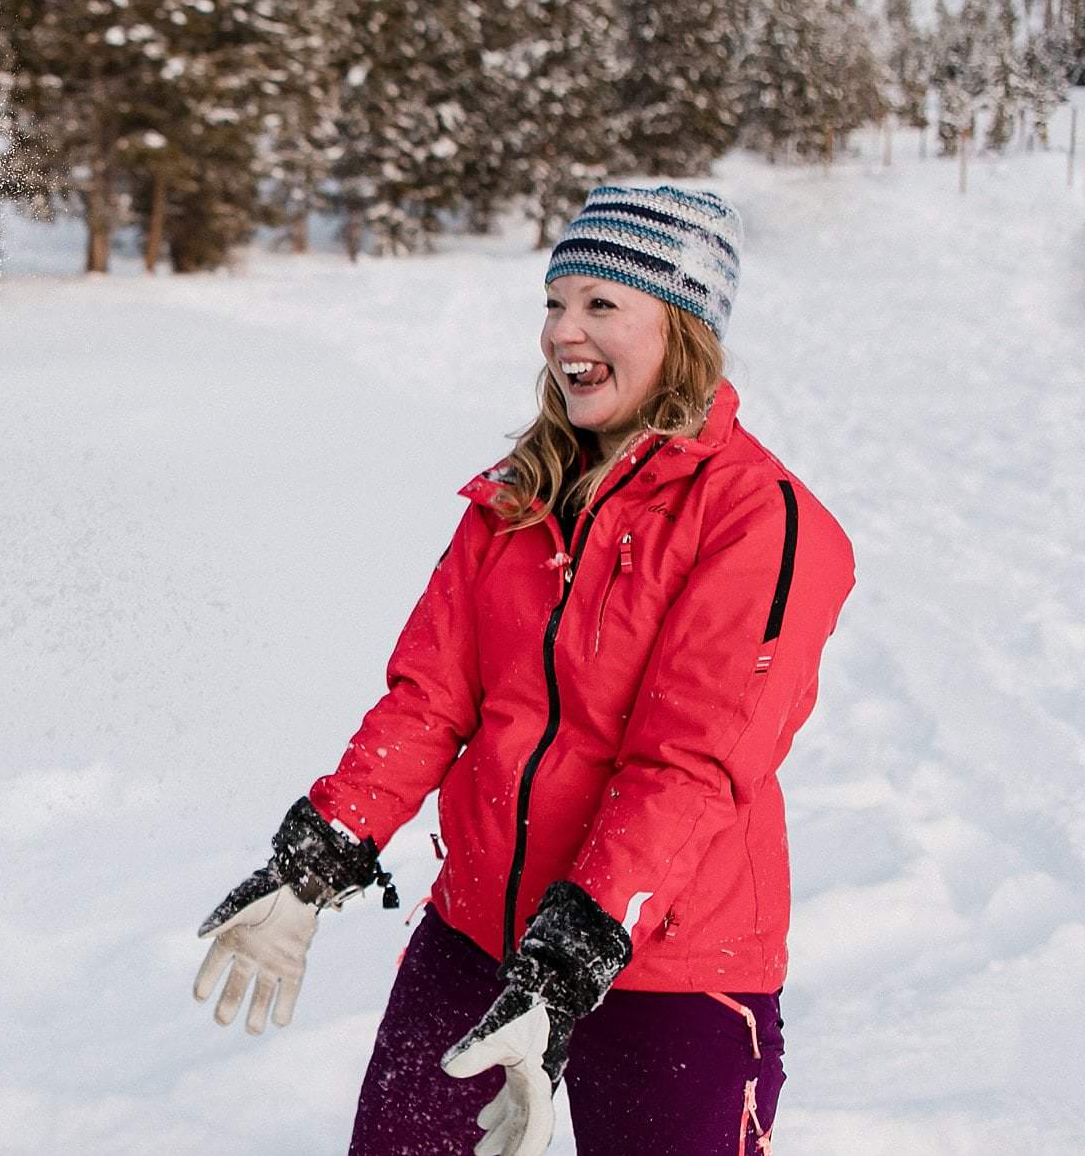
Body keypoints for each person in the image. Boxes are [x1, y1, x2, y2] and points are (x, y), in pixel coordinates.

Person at [194, 185, 854, 1156]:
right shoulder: (513, 500)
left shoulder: (761, 522)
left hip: (665, 962)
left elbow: (693, 762)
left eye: (599, 304)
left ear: (681, 327)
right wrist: (321, 852)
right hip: (477, 935)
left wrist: (568, 954)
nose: (561, 332)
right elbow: (429, 698)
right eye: (553, 301)